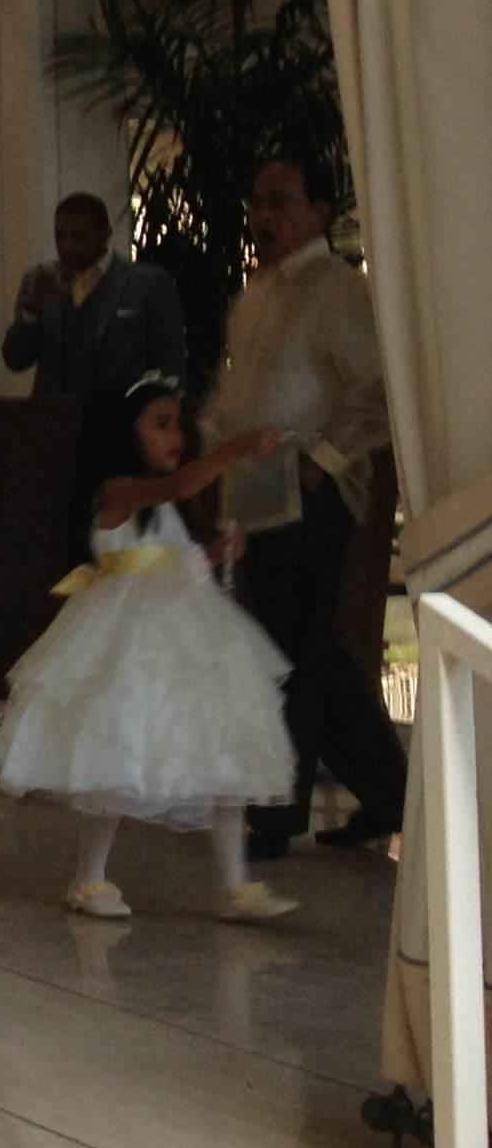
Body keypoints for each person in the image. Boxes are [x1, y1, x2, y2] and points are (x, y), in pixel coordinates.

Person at [0, 375, 298, 921]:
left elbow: (174, 551)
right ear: (125, 433)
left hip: (189, 633)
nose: (175, 436)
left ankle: (235, 884)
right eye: (160, 424)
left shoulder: (166, 508)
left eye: (178, 424)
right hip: (127, 634)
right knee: (116, 747)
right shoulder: (119, 490)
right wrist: (237, 449)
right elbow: (177, 486)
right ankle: (89, 877)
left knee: (224, 741)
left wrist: (215, 553)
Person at [208, 155, 406, 859]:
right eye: (258, 203)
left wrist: (321, 462)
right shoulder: (258, 293)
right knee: (303, 648)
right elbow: (239, 394)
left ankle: (275, 812)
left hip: (310, 495)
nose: (265, 216)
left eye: (281, 201)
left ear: (321, 211)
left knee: (293, 651)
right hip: (258, 492)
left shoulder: (337, 289)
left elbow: (375, 390)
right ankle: (391, 796)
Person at [1, 193, 189, 401]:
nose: (67, 245)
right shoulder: (40, 281)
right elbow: (15, 360)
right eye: (60, 236)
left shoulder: (146, 283)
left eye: (78, 236)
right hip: (53, 415)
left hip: (121, 413)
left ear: (105, 234)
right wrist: (33, 310)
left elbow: (170, 368)